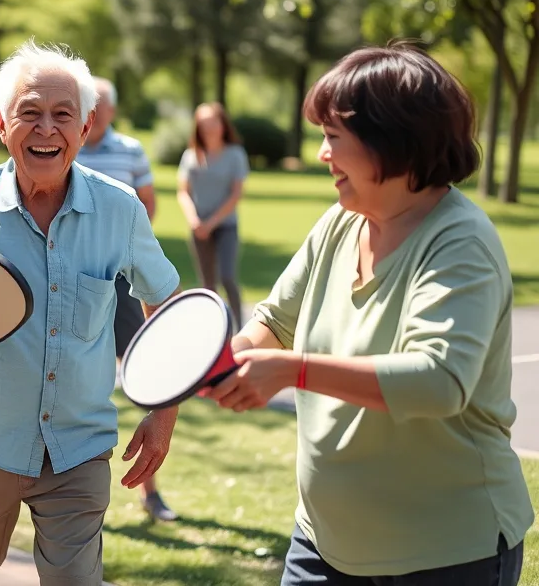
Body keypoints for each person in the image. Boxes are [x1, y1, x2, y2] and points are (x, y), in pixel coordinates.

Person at [203, 44, 534, 584]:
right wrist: (220, 365)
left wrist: (292, 370)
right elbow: (275, 323)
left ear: (391, 141)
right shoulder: (341, 222)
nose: (321, 154)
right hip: (324, 540)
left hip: (445, 552)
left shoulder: (460, 242)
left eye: (333, 137)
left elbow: (439, 380)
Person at [0, 40, 182, 586]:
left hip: (78, 447)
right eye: (29, 113)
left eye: (62, 115)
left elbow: (165, 303)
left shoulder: (120, 209)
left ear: (86, 126)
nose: (46, 128)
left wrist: (163, 411)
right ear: (2, 125)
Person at [75, 76, 176, 522]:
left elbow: (148, 204)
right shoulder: (65, 145)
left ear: (111, 111)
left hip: (125, 279)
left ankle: (150, 491)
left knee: (145, 372)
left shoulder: (131, 151)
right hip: (77, 276)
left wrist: (123, 241)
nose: (94, 113)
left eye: (100, 106)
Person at [176, 102, 248, 329]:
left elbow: (236, 194)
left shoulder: (235, 155)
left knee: (227, 277)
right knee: (207, 284)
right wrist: (194, 220)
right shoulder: (191, 156)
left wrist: (212, 222)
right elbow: (183, 192)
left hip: (225, 225)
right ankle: (214, 331)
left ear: (222, 124)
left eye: (213, 123)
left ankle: (240, 328)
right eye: (204, 124)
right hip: (199, 229)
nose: (209, 128)